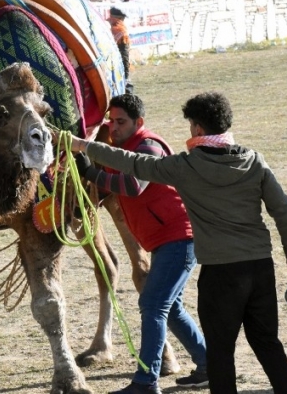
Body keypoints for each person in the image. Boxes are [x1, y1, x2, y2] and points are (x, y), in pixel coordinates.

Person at [69, 92, 287, 394]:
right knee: (267, 342)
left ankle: (150, 380)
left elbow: (132, 165)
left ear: (196, 129)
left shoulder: (186, 166)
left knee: (216, 347)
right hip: (260, 268)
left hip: (219, 273)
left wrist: (83, 148)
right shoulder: (254, 160)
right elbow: (283, 209)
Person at [73, 94, 208, 393]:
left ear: (139, 122)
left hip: (178, 238)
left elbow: (134, 185)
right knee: (170, 308)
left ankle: (147, 381)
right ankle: (208, 364)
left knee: (152, 303)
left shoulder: (149, 145)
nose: (114, 127)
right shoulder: (123, 149)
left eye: (121, 122)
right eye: (111, 121)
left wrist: (91, 172)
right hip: (166, 240)